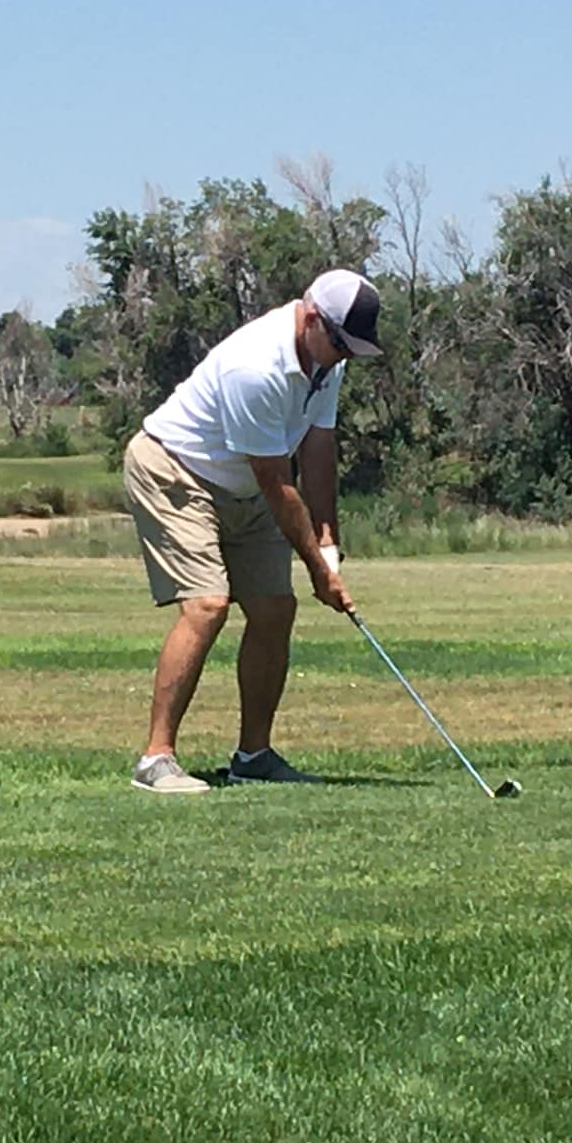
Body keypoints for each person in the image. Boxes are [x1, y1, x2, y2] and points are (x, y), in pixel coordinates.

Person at [122, 268, 382, 793]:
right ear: (312, 318)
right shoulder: (256, 366)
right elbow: (276, 481)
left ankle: (253, 756)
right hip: (176, 469)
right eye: (339, 344)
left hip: (243, 482)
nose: (344, 356)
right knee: (208, 604)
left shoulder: (327, 360)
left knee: (274, 609)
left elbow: (318, 445)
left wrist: (328, 538)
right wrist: (317, 570)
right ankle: (155, 759)